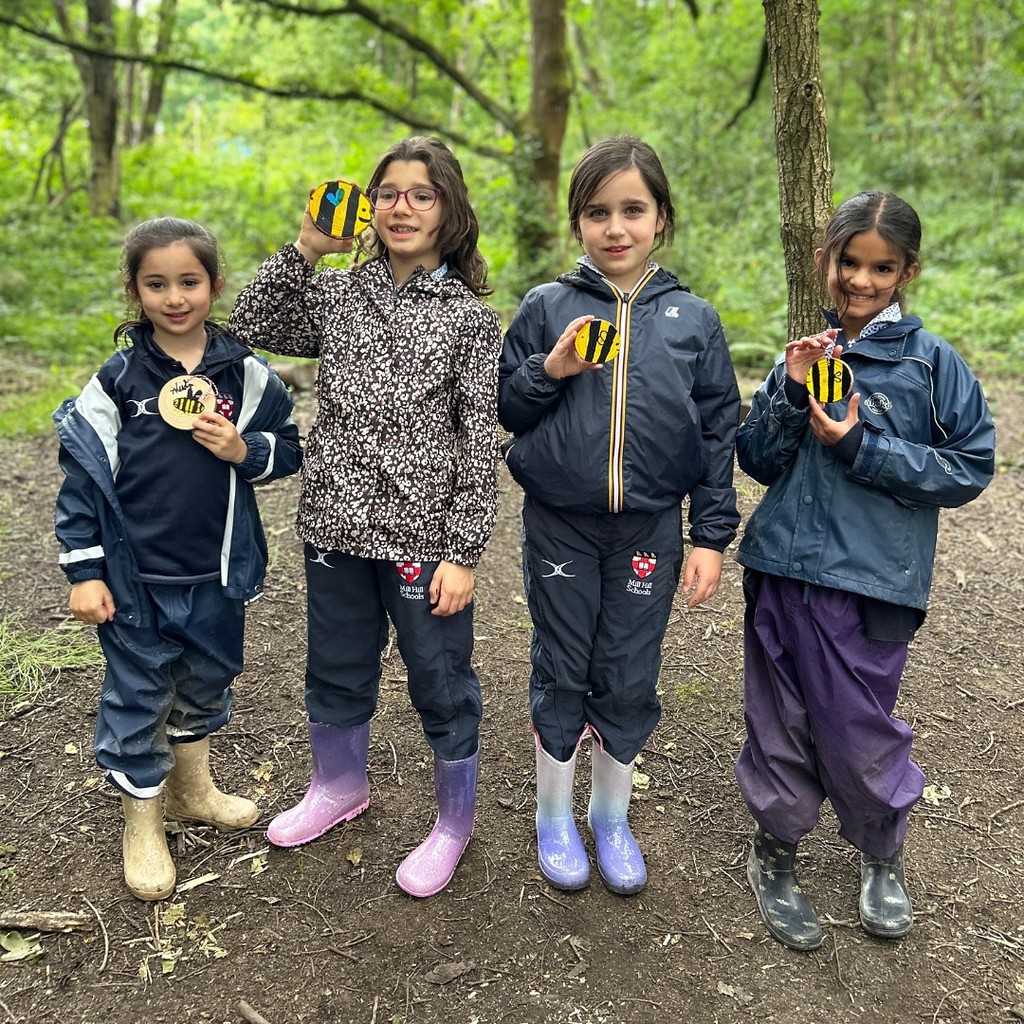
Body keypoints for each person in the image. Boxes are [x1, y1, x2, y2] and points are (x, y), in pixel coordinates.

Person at [228, 136, 501, 899]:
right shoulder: (340, 294)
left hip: (424, 541)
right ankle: (338, 787)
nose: (401, 206)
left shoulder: (471, 320)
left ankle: (453, 823)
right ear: (369, 207)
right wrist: (311, 245)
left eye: (422, 193)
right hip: (335, 527)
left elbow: (481, 439)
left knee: (440, 680)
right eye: (388, 193)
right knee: (336, 667)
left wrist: (464, 551)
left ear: (450, 209)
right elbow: (253, 319)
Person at [734, 191, 996, 950]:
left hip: (872, 584)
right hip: (782, 569)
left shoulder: (930, 364)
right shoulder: (809, 352)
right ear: (826, 262)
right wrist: (788, 389)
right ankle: (775, 849)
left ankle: (881, 852)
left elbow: (970, 465)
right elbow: (756, 459)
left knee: (858, 726)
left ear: (906, 271)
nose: (862, 280)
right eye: (850, 262)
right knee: (778, 718)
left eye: (881, 268)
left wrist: (861, 446)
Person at [498, 136, 741, 895]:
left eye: (632, 210)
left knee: (629, 672)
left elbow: (717, 429)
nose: (615, 228)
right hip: (561, 524)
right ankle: (553, 818)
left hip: (649, 527)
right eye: (597, 212)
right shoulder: (547, 307)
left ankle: (610, 818)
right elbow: (505, 405)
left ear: (660, 219)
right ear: (577, 223)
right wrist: (552, 368)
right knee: (564, 665)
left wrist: (709, 535)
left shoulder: (693, 320)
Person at [54, 217, 303, 901]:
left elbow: (290, 447)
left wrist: (241, 451)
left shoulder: (245, 374)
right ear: (135, 291)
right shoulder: (116, 381)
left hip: (215, 574)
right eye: (156, 283)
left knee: (206, 679)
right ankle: (143, 821)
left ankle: (194, 789)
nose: (174, 297)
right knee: (138, 694)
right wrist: (85, 571)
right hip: (135, 582)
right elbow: (82, 477)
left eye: (188, 281)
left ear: (213, 285)